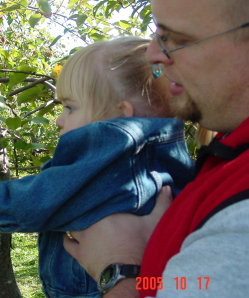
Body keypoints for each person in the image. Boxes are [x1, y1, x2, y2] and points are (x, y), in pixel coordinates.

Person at [0, 37, 195, 297]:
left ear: (121, 115)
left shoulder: (113, 161)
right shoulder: (168, 157)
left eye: (70, 107)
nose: (59, 120)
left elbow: (26, 204)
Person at [63, 0, 249, 297]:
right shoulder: (229, 157)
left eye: (178, 39)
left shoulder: (241, 219)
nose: (153, 53)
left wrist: (119, 270)